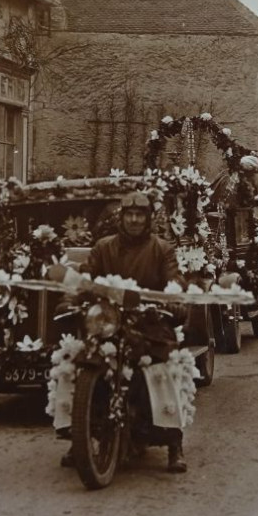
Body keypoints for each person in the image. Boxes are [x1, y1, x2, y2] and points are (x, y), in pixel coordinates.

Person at [78, 190, 188, 472]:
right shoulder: (103, 247)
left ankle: (174, 443)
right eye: (130, 215)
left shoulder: (162, 249)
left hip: (149, 322)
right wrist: (70, 300)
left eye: (140, 215)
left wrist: (175, 301)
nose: (135, 220)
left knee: (163, 367)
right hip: (109, 321)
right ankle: (77, 438)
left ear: (148, 218)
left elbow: (174, 280)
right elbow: (86, 280)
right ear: (122, 217)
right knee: (75, 361)